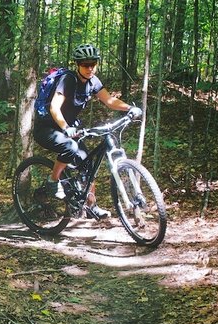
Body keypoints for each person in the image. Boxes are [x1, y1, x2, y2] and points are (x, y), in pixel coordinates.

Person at [33, 43, 141, 219]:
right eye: (85, 64)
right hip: (47, 128)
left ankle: (92, 206)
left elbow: (109, 101)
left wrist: (129, 108)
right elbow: (54, 107)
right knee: (70, 147)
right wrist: (66, 128)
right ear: (78, 65)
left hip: (69, 130)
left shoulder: (93, 81)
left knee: (88, 164)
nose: (90, 68)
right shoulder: (68, 80)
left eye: (93, 64)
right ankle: (53, 180)